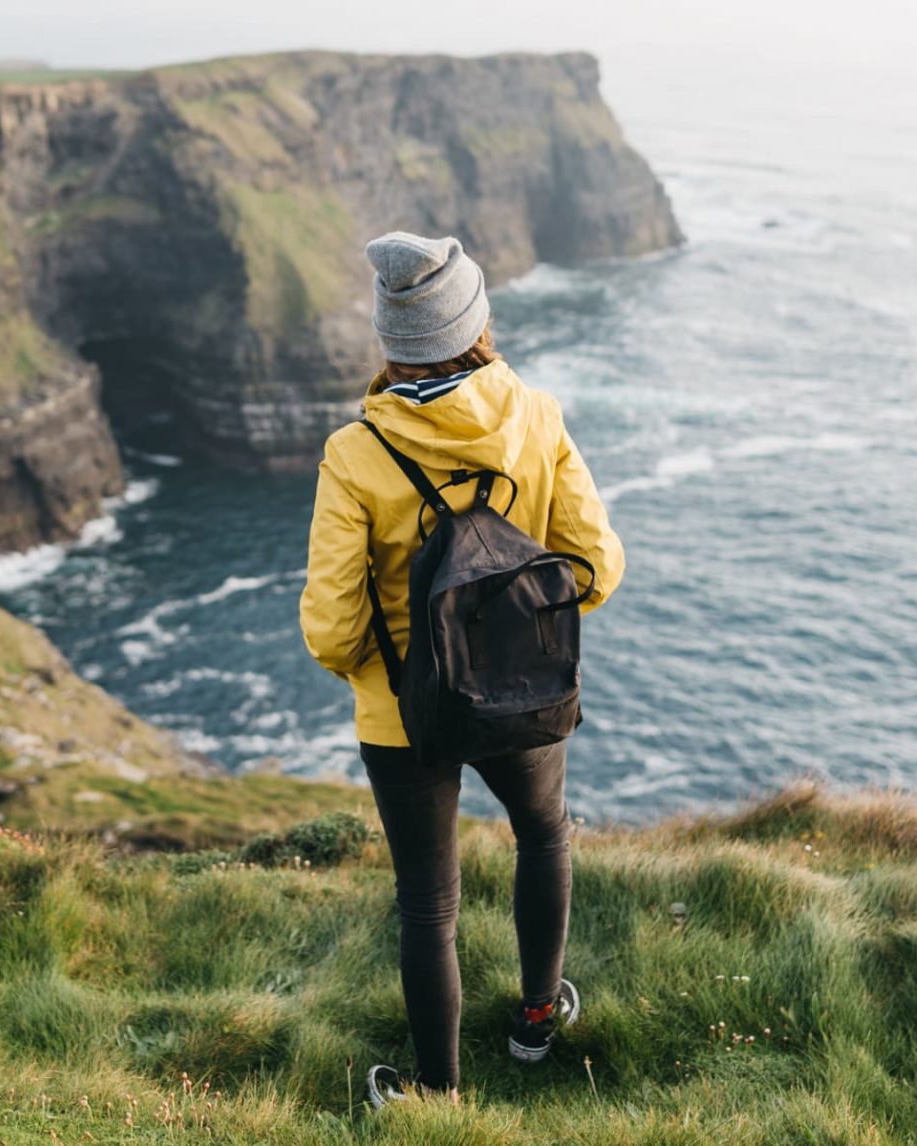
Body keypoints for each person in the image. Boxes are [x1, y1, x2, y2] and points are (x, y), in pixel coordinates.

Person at [299, 232, 626, 1108]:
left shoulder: (356, 453)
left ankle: (438, 1100)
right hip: (521, 687)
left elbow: (332, 628)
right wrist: (513, 636)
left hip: (404, 714)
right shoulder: (536, 413)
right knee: (546, 832)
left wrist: (396, 673)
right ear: (476, 320)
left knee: (428, 907)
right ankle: (534, 1021)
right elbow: (596, 566)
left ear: (390, 340)